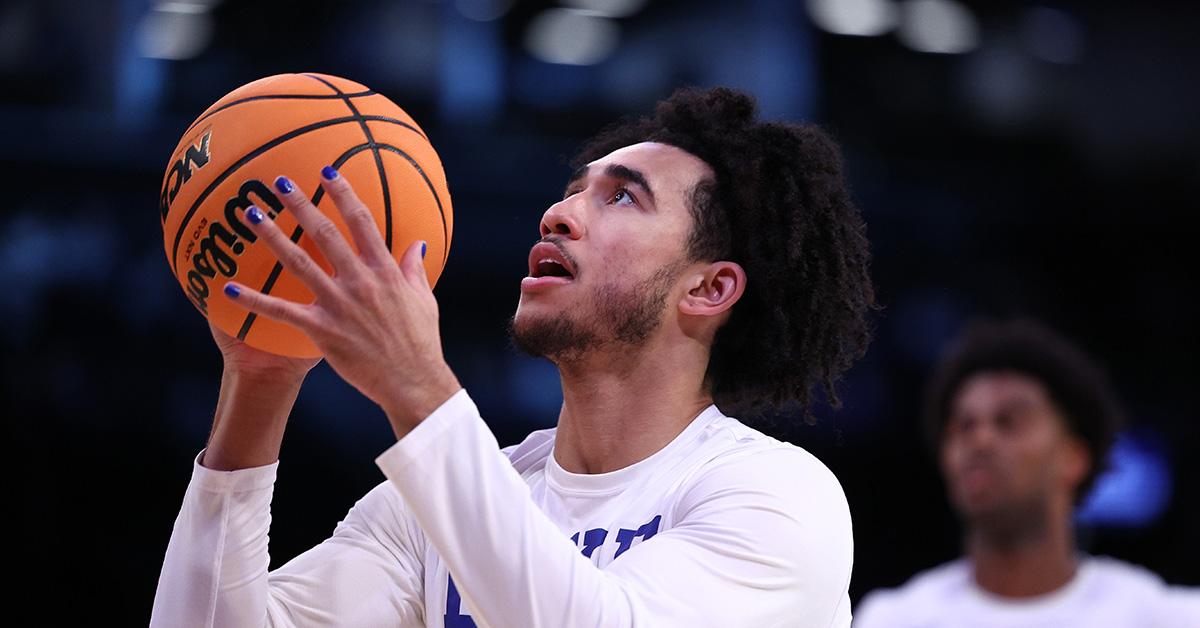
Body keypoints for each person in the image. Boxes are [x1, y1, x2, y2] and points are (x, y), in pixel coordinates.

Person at [149, 87, 876, 627]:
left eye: (622, 198)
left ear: (709, 287)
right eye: (572, 191)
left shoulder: (774, 496)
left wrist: (419, 389)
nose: (558, 215)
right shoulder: (432, 506)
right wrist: (261, 381)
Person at [854, 319, 1200, 627]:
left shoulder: (1165, 617)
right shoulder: (893, 618)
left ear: (1074, 457)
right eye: (964, 426)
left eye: (1009, 421)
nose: (981, 440)